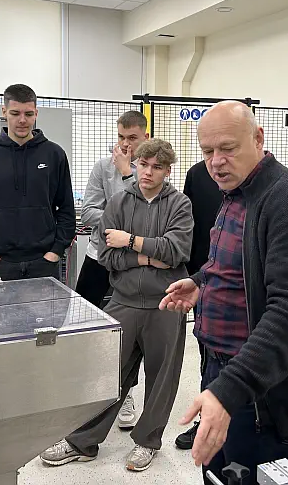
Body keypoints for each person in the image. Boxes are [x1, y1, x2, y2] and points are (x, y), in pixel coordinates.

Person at [159, 101, 288, 483]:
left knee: (246, 475)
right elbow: (239, 262)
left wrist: (229, 390)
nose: (216, 162)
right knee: (216, 475)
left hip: (259, 389)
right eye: (207, 151)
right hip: (219, 370)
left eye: (227, 148)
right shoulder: (235, 192)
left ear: (258, 138)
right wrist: (202, 282)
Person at [40, 139, 193, 473]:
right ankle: (82, 441)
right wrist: (146, 257)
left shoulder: (180, 204)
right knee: (107, 374)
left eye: (157, 167)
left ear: (167, 171)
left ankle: (148, 441)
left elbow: (177, 251)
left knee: (162, 377)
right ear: (134, 164)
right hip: (123, 301)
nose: (148, 172)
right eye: (143, 165)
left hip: (166, 303)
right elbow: (107, 255)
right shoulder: (119, 202)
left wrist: (131, 242)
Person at [78, 110, 149, 429]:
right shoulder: (101, 167)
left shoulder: (154, 170)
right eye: (121, 137)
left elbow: (149, 217)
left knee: (130, 330)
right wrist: (120, 221)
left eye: (132, 138)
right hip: (99, 256)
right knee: (87, 324)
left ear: (145, 137)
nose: (125, 144)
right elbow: (87, 212)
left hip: (133, 261)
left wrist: (127, 173)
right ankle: (89, 390)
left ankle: (126, 392)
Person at [0, 84, 75, 282]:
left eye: (28, 114)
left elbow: (66, 207)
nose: (22, 120)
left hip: (44, 263)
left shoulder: (54, 154)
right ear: (4, 112)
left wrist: (56, 251)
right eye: (15, 113)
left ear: (36, 114)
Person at [175, 159, 223, 450]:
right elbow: (189, 228)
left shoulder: (268, 181)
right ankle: (207, 419)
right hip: (203, 278)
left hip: (250, 284)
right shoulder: (197, 174)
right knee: (208, 353)